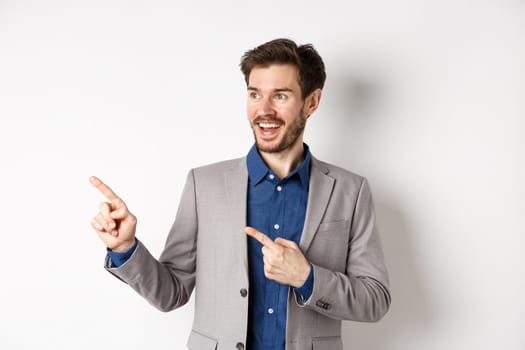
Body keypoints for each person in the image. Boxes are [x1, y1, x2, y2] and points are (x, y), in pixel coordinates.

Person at [90, 38, 390, 350]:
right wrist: (125, 248)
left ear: (311, 102)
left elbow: (375, 299)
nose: (264, 110)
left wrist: (307, 277)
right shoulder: (203, 185)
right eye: (255, 94)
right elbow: (171, 293)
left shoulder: (350, 191)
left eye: (281, 96)